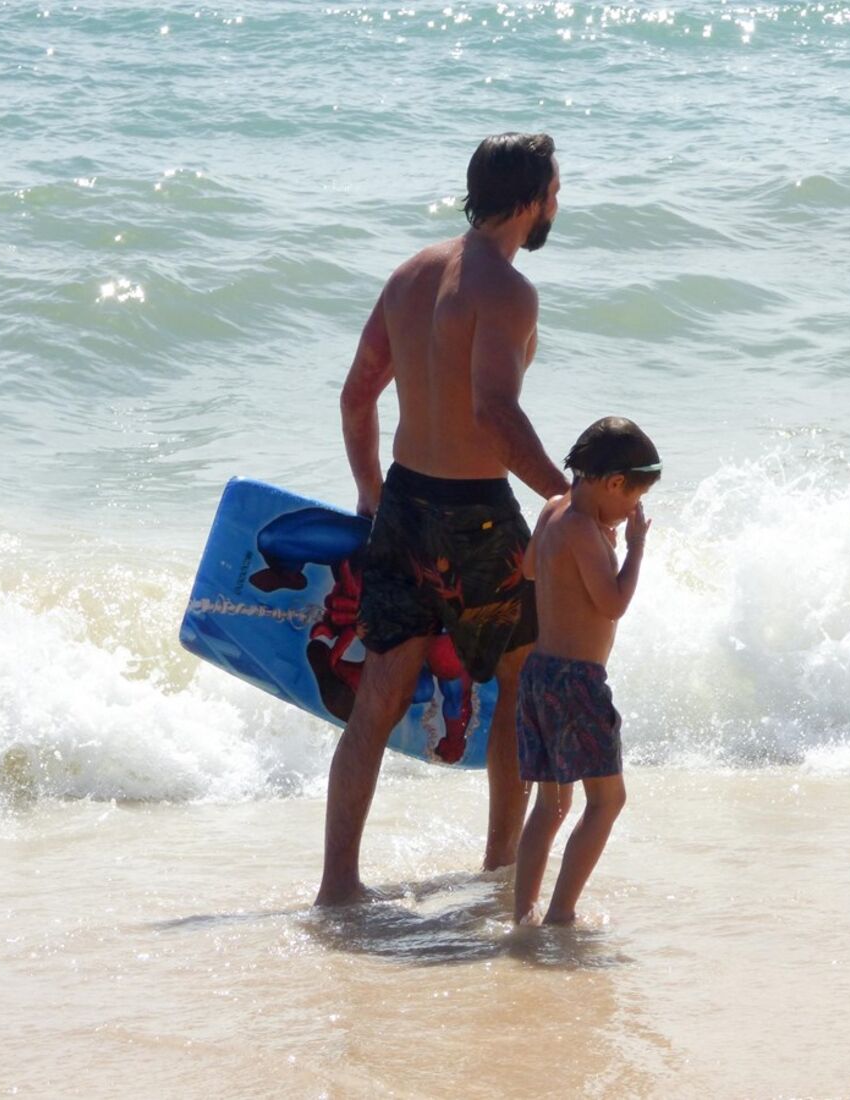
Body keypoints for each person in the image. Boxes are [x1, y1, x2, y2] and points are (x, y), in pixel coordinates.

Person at [315, 133, 570, 906]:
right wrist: (565, 497)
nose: (560, 203)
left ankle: (338, 886)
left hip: (402, 504)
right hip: (475, 522)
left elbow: (357, 395)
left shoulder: (411, 274)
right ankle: (498, 872)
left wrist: (369, 493)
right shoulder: (507, 290)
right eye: (557, 190)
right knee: (525, 679)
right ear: (530, 199)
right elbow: (494, 411)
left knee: (379, 693)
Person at [512, 417, 661, 925]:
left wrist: (599, 542)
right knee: (607, 800)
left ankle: (523, 912)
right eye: (630, 503)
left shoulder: (554, 512)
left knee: (551, 805)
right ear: (614, 483)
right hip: (577, 683)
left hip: (539, 675)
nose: (628, 515)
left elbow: (530, 568)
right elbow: (613, 603)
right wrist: (633, 548)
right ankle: (561, 914)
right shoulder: (584, 530)